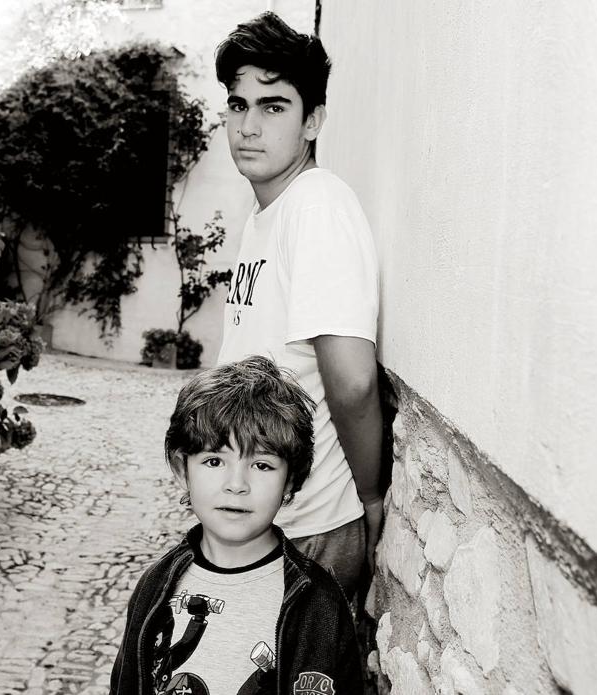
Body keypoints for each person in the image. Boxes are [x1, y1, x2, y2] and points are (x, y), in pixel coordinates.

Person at [214, 12, 383, 601]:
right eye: (238, 105)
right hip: (261, 525)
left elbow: (354, 382)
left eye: (274, 106)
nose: (249, 126)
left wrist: (370, 498)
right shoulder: (265, 216)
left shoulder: (317, 206)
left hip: (308, 532)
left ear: (313, 121)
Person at [110, 356, 362, 695]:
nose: (236, 484)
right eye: (214, 461)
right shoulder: (154, 587)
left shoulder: (318, 605)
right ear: (183, 470)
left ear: (290, 480)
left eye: (261, 465)